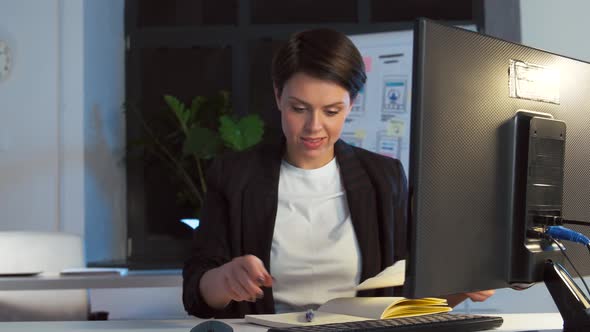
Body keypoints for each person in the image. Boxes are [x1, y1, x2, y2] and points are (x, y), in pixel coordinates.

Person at [182, 28, 494, 319]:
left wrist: (460, 289)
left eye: (331, 111)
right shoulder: (236, 176)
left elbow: (405, 302)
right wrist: (225, 280)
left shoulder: (383, 177)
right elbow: (195, 294)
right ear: (278, 96)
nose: (314, 127)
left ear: (351, 104)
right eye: (298, 108)